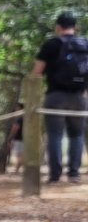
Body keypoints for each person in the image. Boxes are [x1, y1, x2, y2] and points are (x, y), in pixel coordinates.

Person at [31, 10, 87, 183]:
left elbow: (37, 73)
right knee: (76, 135)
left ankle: (55, 175)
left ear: (58, 27)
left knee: (54, 135)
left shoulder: (51, 44)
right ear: (75, 27)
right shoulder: (85, 44)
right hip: (79, 97)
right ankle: (74, 174)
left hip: (55, 96)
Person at [7, 103, 25, 172]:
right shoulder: (25, 117)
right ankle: (17, 168)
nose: (15, 110)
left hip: (19, 139)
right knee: (20, 154)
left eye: (16, 108)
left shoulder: (19, 118)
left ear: (20, 108)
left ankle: (16, 169)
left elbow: (15, 127)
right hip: (23, 138)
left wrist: (10, 137)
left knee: (19, 155)